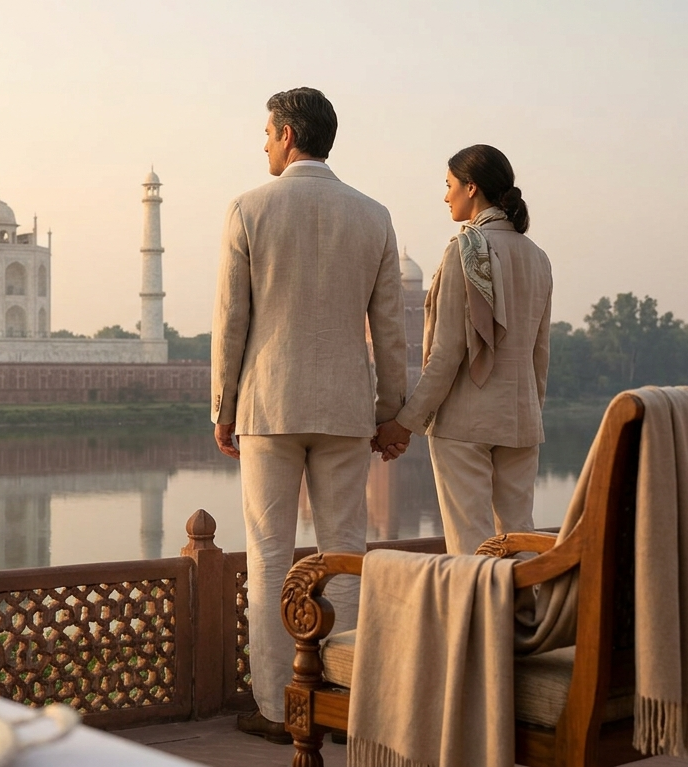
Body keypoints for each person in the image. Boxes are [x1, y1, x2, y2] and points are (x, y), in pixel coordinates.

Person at [211, 87, 406, 743]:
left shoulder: (249, 208)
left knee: (269, 557)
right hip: (346, 406)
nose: (263, 144)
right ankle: (344, 699)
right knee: (345, 553)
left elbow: (230, 322)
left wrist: (222, 405)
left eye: (266, 133)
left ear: (288, 136)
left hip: (268, 404)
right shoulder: (372, 215)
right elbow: (389, 329)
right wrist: (389, 412)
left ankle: (278, 706)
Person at [375, 145, 552, 555]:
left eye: (449, 185)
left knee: (471, 544)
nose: (445, 195)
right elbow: (538, 355)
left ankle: (479, 621)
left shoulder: (463, 251)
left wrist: (405, 423)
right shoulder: (537, 258)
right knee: (520, 540)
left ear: (471, 188)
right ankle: (524, 619)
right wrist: (529, 410)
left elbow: (447, 354)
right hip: (521, 419)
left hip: (465, 425)